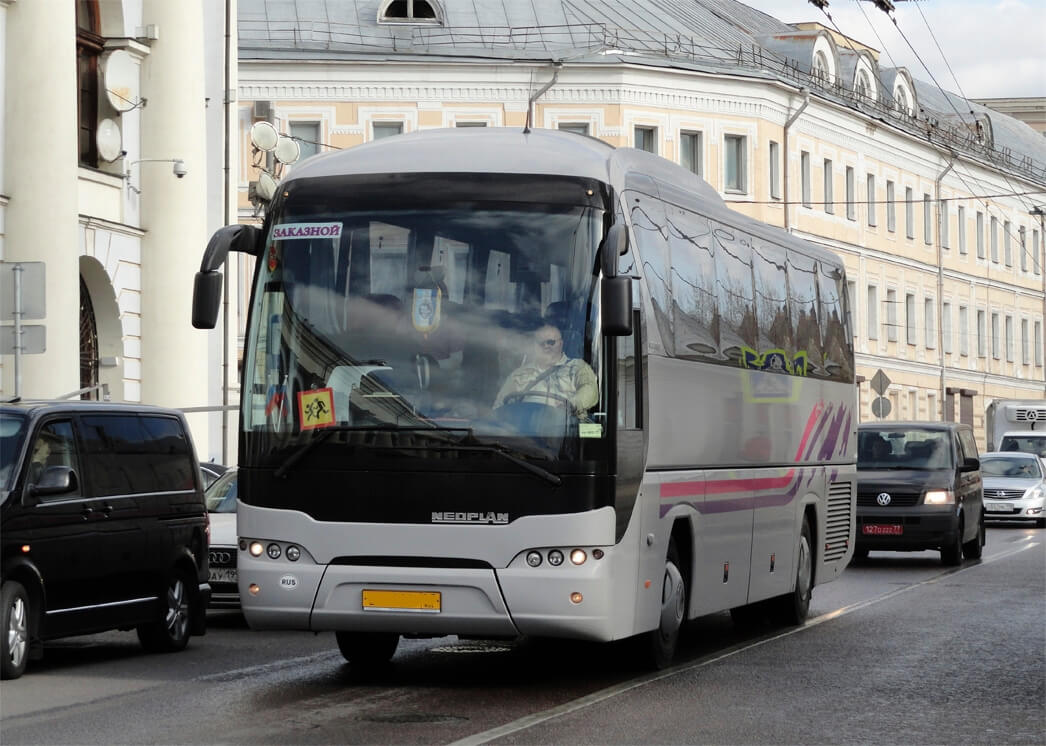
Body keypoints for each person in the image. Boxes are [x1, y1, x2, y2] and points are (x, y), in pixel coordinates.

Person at [493, 322, 598, 418]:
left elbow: (590, 390)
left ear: (561, 344)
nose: (546, 346)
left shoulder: (577, 367)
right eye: (541, 343)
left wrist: (571, 404)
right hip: (526, 433)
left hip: (567, 431)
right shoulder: (519, 374)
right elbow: (499, 407)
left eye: (551, 342)